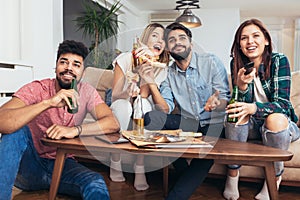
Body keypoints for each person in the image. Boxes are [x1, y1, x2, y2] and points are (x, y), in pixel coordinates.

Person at [0, 40, 120, 200]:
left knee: (95, 182)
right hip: (30, 167)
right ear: (56, 66)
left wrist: (75, 130)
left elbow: (113, 123)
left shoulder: (87, 92)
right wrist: (48, 103)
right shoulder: (38, 89)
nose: (69, 68)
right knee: (16, 131)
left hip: (63, 166)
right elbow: (2, 120)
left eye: (76, 64)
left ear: (83, 73)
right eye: (64, 62)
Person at [143, 22, 231, 200]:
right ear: (168, 48)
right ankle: (186, 175)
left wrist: (217, 102)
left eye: (182, 38)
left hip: (213, 122)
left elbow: (225, 98)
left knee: (206, 152)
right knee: (151, 118)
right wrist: (150, 82)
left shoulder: (211, 62)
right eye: (172, 40)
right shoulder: (168, 73)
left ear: (190, 42)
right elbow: (165, 108)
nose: (178, 42)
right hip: (187, 123)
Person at [223, 18, 300, 200]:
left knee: (275, 118)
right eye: (244, 38)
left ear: (266, 40)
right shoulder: (237, 65)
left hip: (278, 126)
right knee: (236, 112)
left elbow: (283, 104)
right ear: (239, 45)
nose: (250, 41)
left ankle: (274, 178)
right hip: (249, 127)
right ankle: (232, 176)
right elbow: (238, 105)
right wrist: (241, 87)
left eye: (255, 36)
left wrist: (254, 108)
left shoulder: (278, 61)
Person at [109, 23, 169, 191]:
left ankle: (139, 166)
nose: (160, 41)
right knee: (124, 107)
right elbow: (115, 94)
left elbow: (143, 96)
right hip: (121, 100)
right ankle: (115, 160)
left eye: (164, 39)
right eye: (155, 35)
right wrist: (127, 90)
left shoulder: (161, 69)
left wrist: (145, 72)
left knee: (142, 104)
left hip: (140, 103)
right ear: (145, 39)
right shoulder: (125, 59)